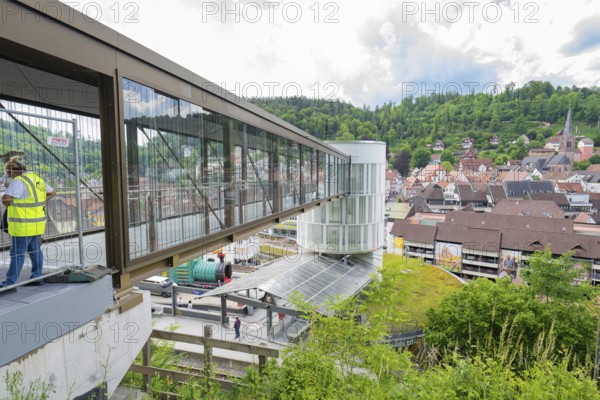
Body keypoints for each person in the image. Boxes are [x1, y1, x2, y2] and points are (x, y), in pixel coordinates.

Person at [0, 157, 55, 288]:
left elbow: (6, 199)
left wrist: (13, 204)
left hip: (23, 224)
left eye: (8, 173)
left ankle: (9, 283)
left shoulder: (18, 181)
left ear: (12, 171)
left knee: (17, 254)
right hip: (37, 223)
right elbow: (53, 193)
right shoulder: (36, 178)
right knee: (35, 250)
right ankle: (37, 277)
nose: (8, 176)